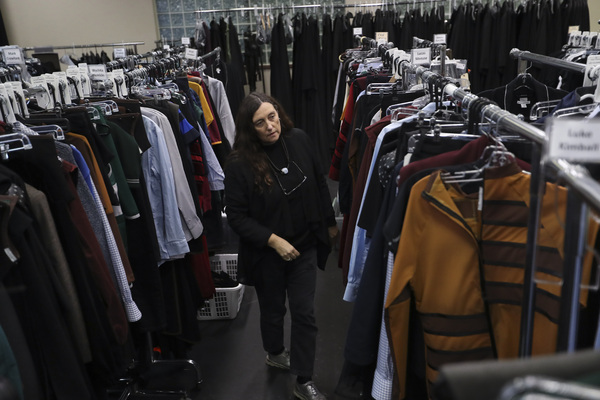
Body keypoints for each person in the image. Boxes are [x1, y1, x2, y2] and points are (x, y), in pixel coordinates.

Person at [224, 92, 339, 400]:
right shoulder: (239, 164)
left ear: (279, 114)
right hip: (266, 254)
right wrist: (274, 241)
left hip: (304, 246)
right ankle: (275, 352)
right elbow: (235, 216)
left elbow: (317, 181)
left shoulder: (299, 139)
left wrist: (330, 223)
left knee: (304, 314)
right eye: (260, 123)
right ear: (250, 129)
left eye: (272, 117)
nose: (270, 127)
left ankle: (303, 379)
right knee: (274, 310)